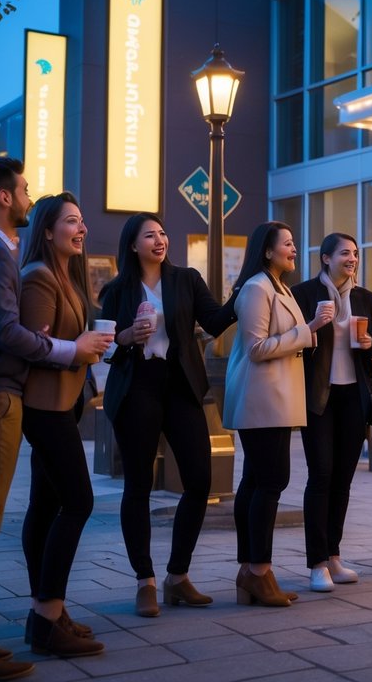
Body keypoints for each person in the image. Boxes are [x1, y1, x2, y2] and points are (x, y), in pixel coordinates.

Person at [0, 157, 110, 680]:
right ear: (5, 197)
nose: (29, 196)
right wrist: (68, 349)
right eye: (25, 189)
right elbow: (5, 333)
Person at [99, 213, 237, 617]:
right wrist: (125, 337)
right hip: (137, 385)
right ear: (133, 245)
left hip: (180, 386)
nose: (160, 240)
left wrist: (242, 291)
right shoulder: (119, 289)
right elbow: (106, 344)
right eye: (150, 235)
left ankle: (178, 576)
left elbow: (213, 320)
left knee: (199, 480)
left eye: (163, 232)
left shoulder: (186, 279)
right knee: (138, 485)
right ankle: (145, 580)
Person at [222, 222, 331, 606]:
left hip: (274, 399)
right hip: (261, 399)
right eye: (287, 244)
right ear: (267, 251)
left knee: (257, 482)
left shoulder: (278, 287)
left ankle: (251, 570)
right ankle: (258, 571)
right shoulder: (256, 288)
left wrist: (308, 330)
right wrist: (310, 330)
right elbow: (255, 348)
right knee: (270, 482)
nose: (294, 249)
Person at [17, 194, 105, 657]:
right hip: (45, 409)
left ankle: (44, 613)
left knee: (46, 506)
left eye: (82, 218)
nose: (81, 227)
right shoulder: (38, 277)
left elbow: (63, 341)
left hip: (63, 404)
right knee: (78, 503)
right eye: (71, 220)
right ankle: (48, 616)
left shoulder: (65, 276)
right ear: (47, 231)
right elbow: (35, 346)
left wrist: (87, 346)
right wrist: (80, 347)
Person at [291, 233, 372, 592]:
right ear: (325, 258)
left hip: (354, 396)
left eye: (356, 254)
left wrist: (369, 344)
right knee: (321, 475)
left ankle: (333, 555)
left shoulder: (365, 298)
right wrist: (313, 326)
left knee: (343, 478)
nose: (352, 259)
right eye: (345, 253)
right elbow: (292, 340)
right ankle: (316, 563)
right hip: (318, 396)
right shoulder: (303, 295)